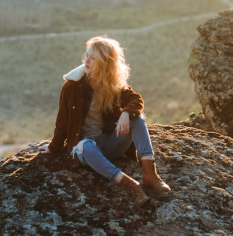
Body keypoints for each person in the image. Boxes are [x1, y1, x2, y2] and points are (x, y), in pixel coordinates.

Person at [38, 35, 170, 206]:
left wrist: (126, 114)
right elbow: (62, 122)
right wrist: (53, 147)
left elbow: (136, 100)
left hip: (109, 143)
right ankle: (132, 186)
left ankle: (150, 175)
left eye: (93, 58)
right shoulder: (72, 86)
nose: (87, 61)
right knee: (85, 145)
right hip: (86, 149)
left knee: (138, 120)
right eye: (86, 55)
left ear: (105, 62)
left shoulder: (113, 83)